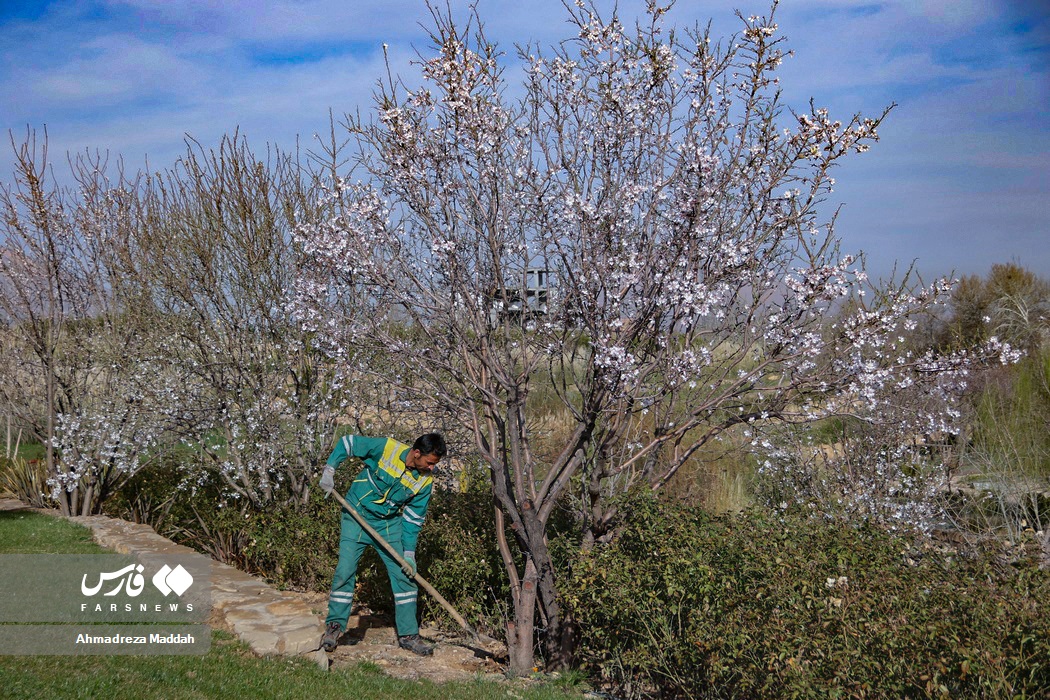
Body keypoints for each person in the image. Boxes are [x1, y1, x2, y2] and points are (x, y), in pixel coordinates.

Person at [318, 432, 446, 656]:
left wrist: (409, 554)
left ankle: (408, 636)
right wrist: (330, 470)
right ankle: (334, 627)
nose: (432, 468)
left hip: (388, 525)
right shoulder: (387, 448)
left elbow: (413, 519)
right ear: (417, 453)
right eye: (430, 462)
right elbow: (348, 443)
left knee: (405, 576)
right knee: (345, 571)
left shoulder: (425, 481)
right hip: (355, 515)